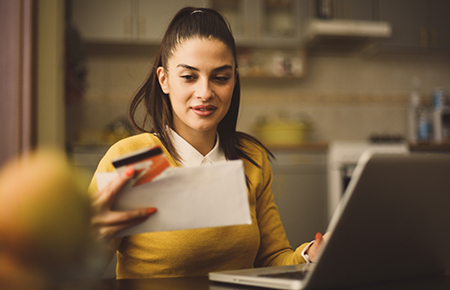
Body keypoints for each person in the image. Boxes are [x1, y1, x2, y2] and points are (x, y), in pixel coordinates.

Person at [89, 7, 327, 279]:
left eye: (220, 78)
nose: (204, 93)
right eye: (189, 77)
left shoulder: (250, 158)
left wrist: (310, 253)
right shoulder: (133, 158)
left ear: (234, 80)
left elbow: (272, 259)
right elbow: (80, 268)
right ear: (164, 80)